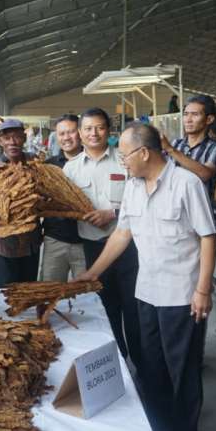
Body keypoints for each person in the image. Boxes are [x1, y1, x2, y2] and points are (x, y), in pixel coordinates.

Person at [74, 122, 216, 431]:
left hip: (182, 295)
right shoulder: (134, 186)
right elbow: (122, 234)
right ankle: (159, 429)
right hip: (147, 293)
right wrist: (92, 272)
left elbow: (208, 237)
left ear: (144, 152)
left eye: (124, 155)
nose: (121, 160)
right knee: (150, 365)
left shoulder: (186, 183)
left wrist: (203, 289)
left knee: (183, 369)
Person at [64, 108, 140, 370]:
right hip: (93, 247)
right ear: (80, 134)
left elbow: (139, 199)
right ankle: (116, 362)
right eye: (88, 129)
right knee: (105, 308)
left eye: (99, 128)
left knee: (133, 306)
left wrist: (113, 213)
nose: (93, 133)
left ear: (109, 131)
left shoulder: (124, 162)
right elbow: (64, 204)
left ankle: (140, 363)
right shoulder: (70, 168)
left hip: (128, 248)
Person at [0, 119, 41, 288]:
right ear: (0, 141)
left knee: (29, 291)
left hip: (31, 241)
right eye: (7, 138)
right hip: (5, 243)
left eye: (17, 137)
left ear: (24, 138)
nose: (12, 142)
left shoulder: (35, 163)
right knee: (6, 293)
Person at [39, 114, 86, 283]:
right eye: (61, 133)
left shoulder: (91, 162)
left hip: (86, 242)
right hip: (55, 239)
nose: (66, 137)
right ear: (56, 136)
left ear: (80, 133)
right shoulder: (48, 166)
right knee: (49, 291)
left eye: (71, 132)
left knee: (87, 293)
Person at [160, 95, 216, 197]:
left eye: (195, 114)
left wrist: (170, 150)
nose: (188, 120)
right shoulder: (176, 144)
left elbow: (205, 174)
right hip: (172, 206)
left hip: (200, 208)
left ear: (209, 119)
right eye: (186, 114)